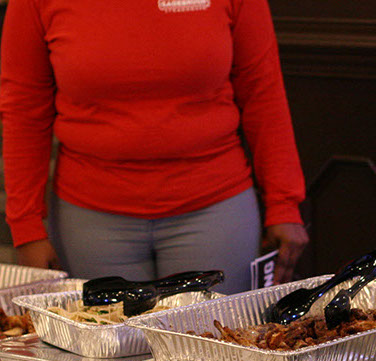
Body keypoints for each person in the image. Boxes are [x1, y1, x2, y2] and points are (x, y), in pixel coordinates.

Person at [0, 0, 308, 293]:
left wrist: (283, 203)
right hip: (89, 220)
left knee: (212, 333)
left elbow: (262, 92)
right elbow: (24, 110)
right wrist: (26, 228)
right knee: (102, 334)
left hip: (215, 208)